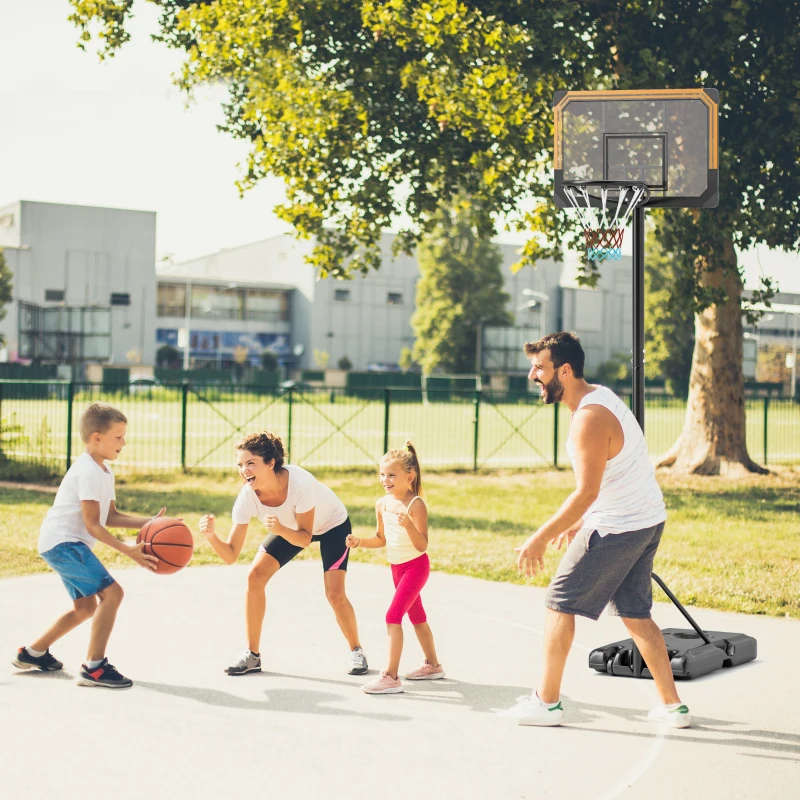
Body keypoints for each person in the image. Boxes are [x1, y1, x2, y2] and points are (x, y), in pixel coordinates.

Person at [512, 332, 690, 728]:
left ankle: (547, 703)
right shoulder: (600, 397)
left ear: (565, 369)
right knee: (635, 613)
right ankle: (672, 707)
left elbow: (586, 491)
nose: (531, 376)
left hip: (619, 526)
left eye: (539, 368)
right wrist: (578, 522)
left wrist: (539, 536)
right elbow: (611, 478)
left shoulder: (589, 418)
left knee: (560, 603)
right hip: (646, 519)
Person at [12, 402, 164, 689]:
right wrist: (128, 550)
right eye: (118, 437)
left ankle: (33, 653)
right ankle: (94, 668)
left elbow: (110, 516)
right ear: (97, 437)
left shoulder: (104, 471)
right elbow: (94, 525)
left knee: (85, 608)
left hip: (61, 543)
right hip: (64, 544)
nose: (124, 442)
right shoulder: (89, 472)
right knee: (113, 594)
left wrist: (151, 522)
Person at [199, 431, 368, 676]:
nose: (244, 470)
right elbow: (231, 555)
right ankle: (252, 655)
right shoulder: (247, 497)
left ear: (270, 463)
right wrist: (212, 536)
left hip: (331, 525)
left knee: (335, 593)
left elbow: (304, 537)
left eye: (250, 463)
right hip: (288, 527)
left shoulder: (300, 484)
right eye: (240, 464)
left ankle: (356, 650)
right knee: (254, 577)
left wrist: (279, 528)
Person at [346, 442, 444, 694]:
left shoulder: (416, 505)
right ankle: (433, 665)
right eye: (382, 474)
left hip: (416, 567)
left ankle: (390, 676)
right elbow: (381, 539)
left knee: (393, 616)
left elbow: (422, 545)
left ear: (409, 477)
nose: (385, 480)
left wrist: (409, 525)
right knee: (417, 617)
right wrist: (359, 542)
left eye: (391, 475)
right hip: (397, 569)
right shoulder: (382, 504)